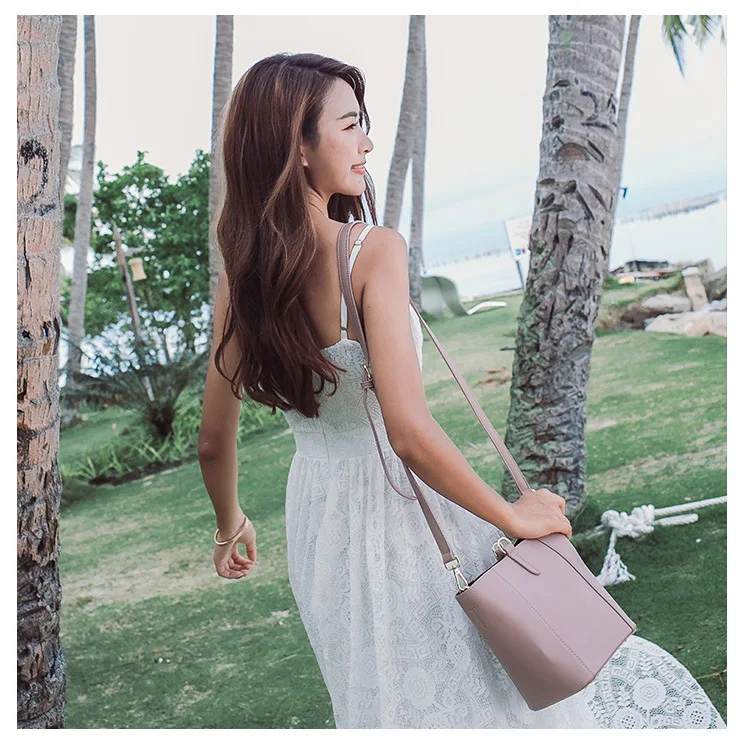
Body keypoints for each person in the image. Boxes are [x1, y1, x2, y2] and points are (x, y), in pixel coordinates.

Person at [198, 52, 726, 729]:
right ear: (296, 146)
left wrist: (230, 524)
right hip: (405, 512)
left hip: (319, 525)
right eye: (350, 125)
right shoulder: (370, 251)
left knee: (383, 698)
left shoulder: (240, 283)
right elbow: (409, 434)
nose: (366, 144)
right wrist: (512, 515)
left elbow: (213, 442)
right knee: (485, 696)